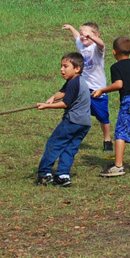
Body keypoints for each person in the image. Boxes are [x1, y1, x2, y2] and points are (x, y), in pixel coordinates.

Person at [48, 22, 113, 152]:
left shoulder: (96, 48)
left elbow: (102, 44)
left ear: (95, 35)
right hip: (83, 86)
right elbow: (77, 37)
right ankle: (70, 134)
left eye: (87, 35)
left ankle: (107, 139)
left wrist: (91, 37)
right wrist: (72, 28)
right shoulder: (81, 45)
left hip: (97, 89)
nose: (84, 38)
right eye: (83, 35)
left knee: (103, 116)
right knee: (74, 110)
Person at [92, 37, 130, 177]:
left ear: (114, 52)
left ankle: (118, 166)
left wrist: (102, 90)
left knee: (121, 131)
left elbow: (119, 84)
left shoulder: (115, 67)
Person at [35, 53, 90, 186]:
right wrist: (53, 97)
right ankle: (62, 175)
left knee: (54, 144)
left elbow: (65, 103)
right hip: (84, 123)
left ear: (77, 68)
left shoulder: (73, 83)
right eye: (61, 66)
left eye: (66, 66)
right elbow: (63, 92)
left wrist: (47, 106)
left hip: (72, 121)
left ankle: (44, 173)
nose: (62, 69)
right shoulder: (76, 81)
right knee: (70, 148)